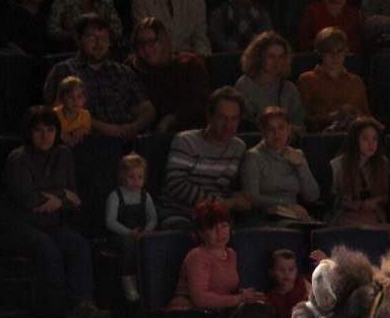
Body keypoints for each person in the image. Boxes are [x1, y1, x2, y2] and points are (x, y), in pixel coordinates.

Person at [0, 106, 109, 318]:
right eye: (39, 130)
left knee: (77, 244)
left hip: (50, 222)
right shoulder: (18, 159)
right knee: (47, 247)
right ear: (30, 133)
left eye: (50, 130)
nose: (45, 136)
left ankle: (83, 304)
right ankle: (58, 310)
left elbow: (75, 198)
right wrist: (62, 195)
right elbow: (30, 201)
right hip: (17, 224)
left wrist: (56, 197)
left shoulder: (64, 154)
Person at [158, 200, 273, 318]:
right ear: (201, 233)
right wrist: (238, 299)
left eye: (224, 226)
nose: (220, 233)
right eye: (212, 228)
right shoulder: (197, 256)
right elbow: (200, 298)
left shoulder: (231, 254)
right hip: (184, 317)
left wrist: (246, 296)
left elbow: (225, 289)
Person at [43, 14, 157, 140]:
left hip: (129, 138)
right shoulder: (63, 71)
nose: (99, 44)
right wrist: (106, 129)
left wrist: (127, 130)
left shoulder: (123, 71)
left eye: (104, 38)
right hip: (87, 140)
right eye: (92, 38)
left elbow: (147, 110)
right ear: (78, 39)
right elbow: (54, 115)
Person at [162, 86, 254, 229]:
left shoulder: (238, 147)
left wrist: (241, 199)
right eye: (222, 118)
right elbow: (176, 185)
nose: (228, 125)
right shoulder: (186, 141)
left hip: (216, 216)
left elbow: (231, 187)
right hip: (179, 212)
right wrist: (224, 203)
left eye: (234, 119)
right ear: (210, 116)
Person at [127, 17, 209, 133]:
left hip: (189, 132)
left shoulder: (190, 64)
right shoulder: (133, 68)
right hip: (148, 134)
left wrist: (172, 118)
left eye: (152, 42)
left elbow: (201, 103)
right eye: (141, 44)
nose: (146, 48)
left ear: (163, 40)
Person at [105, 152, 159, 303]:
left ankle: (151, 282)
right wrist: (129, 233)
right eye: (131, 177)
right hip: (121, 234)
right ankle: (128, 282)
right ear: (122, 177)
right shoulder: (115, 196)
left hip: (142, 233)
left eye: (140, 177)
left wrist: (147, 231)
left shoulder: (145, 196)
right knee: (128, 245)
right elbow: (110, 221)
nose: (136, 181)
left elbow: (152, 218)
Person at [298, 27, 372, 132]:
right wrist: (334, 115)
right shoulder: (307, 80)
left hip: (354, 136)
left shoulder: (355, 81)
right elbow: (305, 120)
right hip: (323, 138)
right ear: (320, 53)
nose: (335, 56)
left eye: (339, 51)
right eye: (329, 51)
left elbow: (366, 116)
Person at [234, 32, 306, 131]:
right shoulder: (244, 85)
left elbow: (299, 124)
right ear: (259, 57)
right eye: (271, 56)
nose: (276, 62)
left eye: (280, 57)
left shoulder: (289, 88)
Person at [328, 116, 390, 227]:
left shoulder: (382, 163)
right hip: (346, 215)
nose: (371, 144)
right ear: (355, 140)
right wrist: (350, 204)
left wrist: (375, 201)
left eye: (374, 139)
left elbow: (385, 196)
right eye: (365, 139)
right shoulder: (338, 165)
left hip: (373, 215)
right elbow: (331, 199)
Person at [262, 248, 310, 318]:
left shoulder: (302, 282)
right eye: (281, 269)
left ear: (296, 271)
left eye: (291, 269)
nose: (286, 273)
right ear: (271, 272)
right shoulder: (271, 297)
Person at [53, 75, 93, 146]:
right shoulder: (54, 114)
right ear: (62, 99)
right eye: (70, 97)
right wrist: (60, 134)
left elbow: (87, 131)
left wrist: (82, 131)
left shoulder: (85, 115)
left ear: (85, 99)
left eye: (79, 97)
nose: (75, 101)